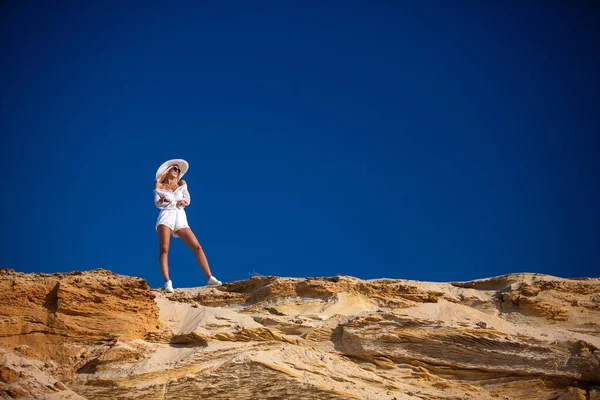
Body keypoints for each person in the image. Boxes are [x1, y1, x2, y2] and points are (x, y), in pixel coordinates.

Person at [154, 159, 222, 292]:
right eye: (174, 168)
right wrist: (163, 200)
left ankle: (210, 277)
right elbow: (157, 203)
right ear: (167, 170)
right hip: (166, 215)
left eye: (178, 170)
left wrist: (183, 202)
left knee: (197, 246)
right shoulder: (159, 185)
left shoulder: (182, 183)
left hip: (180, 216)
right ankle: (167, 282)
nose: (177, 171)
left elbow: (187, 199)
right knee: (164, 248)